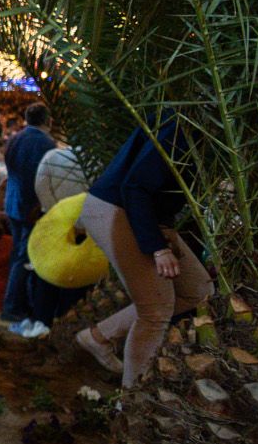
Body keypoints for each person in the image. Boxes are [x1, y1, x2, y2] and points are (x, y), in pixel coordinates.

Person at [76, 117, 211, 386]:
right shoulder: (185, 123)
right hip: (118, 209)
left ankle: (98, 336)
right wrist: (158, 248)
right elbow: (135, 186)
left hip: (149, 216)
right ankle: (131, 401)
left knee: (198, 291)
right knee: (156, 312)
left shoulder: (202, 124)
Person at [0, 102, 55, 337]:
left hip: (13, 203)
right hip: (29, 206)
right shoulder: (44, 143)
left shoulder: (15, 138)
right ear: (47, 120)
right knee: (25, 258)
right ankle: (13, 307)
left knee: (18, 254)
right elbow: (39, 178)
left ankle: (16, 304)